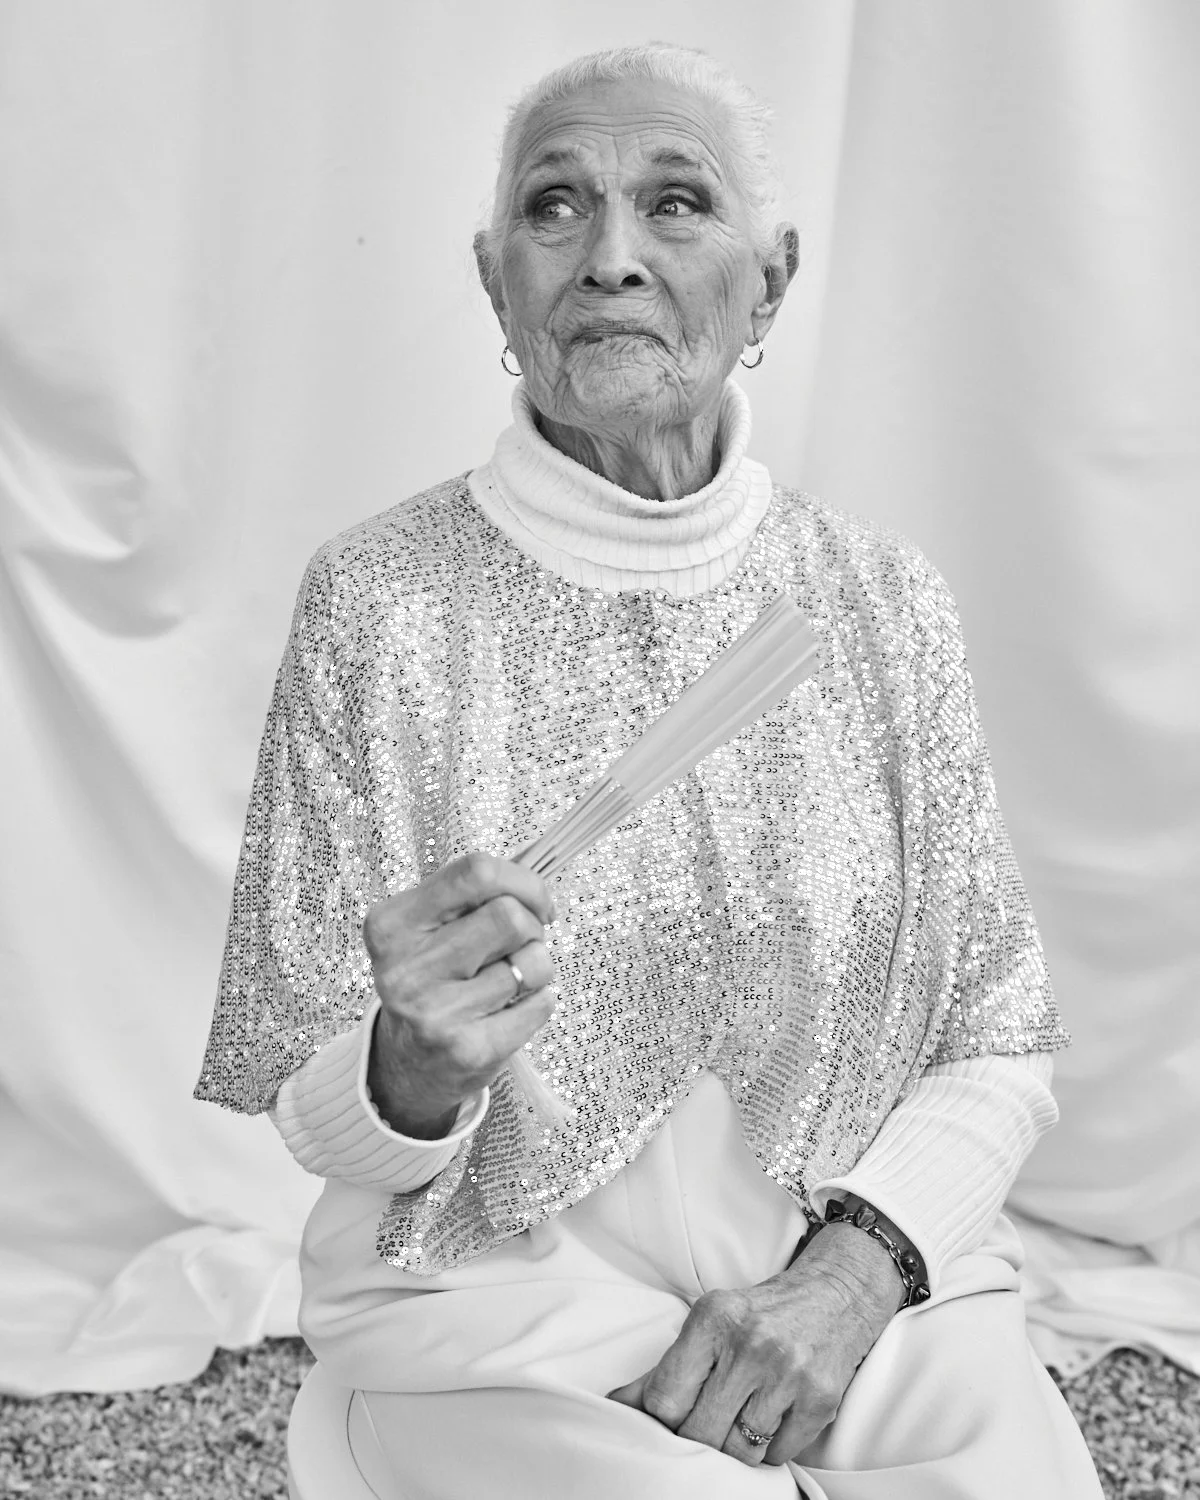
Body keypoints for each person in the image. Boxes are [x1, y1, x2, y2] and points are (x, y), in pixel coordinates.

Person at [195, 43, 1104, 1500]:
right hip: (495, 1313)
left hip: (859, 1290)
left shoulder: (879, 601)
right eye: (557, 209)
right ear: (498, 281)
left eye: (675, 202)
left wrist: (855, 1278)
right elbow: (312, 1110)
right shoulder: (380, 603)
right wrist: (402, 1071)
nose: (611, 255)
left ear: (773, 277)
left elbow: (995, 1037)